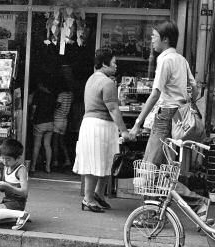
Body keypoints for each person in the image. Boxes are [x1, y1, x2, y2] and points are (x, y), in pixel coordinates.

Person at [129, 20, 210, 222]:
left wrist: (138, 122)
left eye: (154, 37)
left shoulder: (164, 60)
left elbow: (155, 94)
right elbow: (196, 89)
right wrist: (183, 96)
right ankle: (192, 204)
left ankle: (152, 215)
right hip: (179, 118)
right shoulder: (181, 59)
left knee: (150, 169)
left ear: (165, 39)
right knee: (163, 171)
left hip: (165, 116)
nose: (151, 41)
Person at [73, 48, 131, 213]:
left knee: (106, 162)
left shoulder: (91, 79)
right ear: (104, 63)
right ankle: (88, 199)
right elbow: (113, 109)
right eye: (113, 62)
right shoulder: (108, 83)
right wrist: (124, 131)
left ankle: (98, 194)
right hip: (100, 126)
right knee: (97, 162)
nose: (116, 66)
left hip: (91, 125)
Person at [0, 139, 30, 230]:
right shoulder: (6, 167)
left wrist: (8, 186)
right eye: (3, 158)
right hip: (7, 201)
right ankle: (17, 217)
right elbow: (3, 189)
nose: (4, 162)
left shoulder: (21, 170)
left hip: (17, 203)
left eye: (8, 159)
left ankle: (22, 214)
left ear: (18, 158)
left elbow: (24, 193)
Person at [29, 75, 57, 174]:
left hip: (39, 123)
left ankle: (32, 167)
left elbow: (33, 108)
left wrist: (31, 117)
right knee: (47, 145)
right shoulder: (52, 95)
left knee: (37, 145)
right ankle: (48, 167)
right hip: (50, 123)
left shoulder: (38, 94)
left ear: (41, 85)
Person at [52, 85, 74, 169]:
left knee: (55, 142)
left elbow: (58, 105)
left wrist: (52, 107)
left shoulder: (61, 95)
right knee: (62, 142)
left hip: (57, 119)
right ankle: (67, 160)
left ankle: (55, 161)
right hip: (65, 120)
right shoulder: (71, 95)